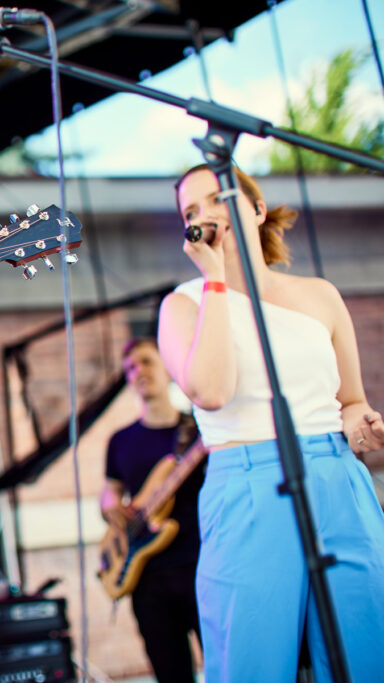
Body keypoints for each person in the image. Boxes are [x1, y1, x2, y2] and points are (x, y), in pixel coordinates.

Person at [157, 163, 384, 682]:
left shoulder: (321, 295)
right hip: (249, 483)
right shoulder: (182, 306)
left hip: (336, 477)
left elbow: (350, 401)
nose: (205, 214)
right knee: (253, 664)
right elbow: (211, 391)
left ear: (257, 209)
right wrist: (215, 281)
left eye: (217, 198)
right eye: (191, 211)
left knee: (367, 654)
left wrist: (363, 424)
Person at [100, 337, 204, 683]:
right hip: (146, 576)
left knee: (225, 665)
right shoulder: (120, 440)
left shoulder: (198, 429)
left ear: (167, 368)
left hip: (199, 564)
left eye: (146, 361)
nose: (139, 371)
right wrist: (111, 506)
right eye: (130, 368)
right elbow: (110, 490)